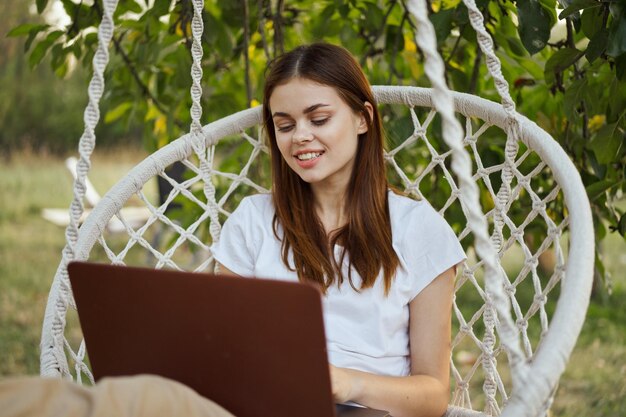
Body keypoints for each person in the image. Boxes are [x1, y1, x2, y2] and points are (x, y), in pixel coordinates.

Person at [210, 43, 465, 417]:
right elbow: (221, 347)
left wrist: (345, 383)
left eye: (318, 119)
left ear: (363, 119)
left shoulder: (418, 230)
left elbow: (432, 396)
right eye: (285, 125)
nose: (299, 136)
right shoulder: (252, 221)